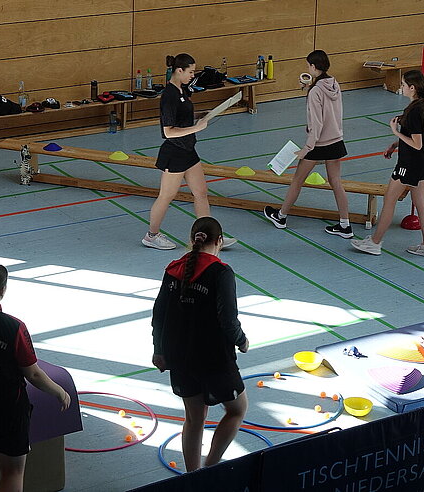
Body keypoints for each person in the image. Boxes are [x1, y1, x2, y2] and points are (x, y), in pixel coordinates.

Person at [0, 263, 71, 492]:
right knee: (13, 471)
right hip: (9, 409)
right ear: (3, 289)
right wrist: (59, 391)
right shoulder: (14, 326)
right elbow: (33, 373)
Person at [151, 217, 249, 472]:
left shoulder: (173, 269)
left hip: (179, 356)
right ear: (219, 241)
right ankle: (211, 467)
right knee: (238, 410)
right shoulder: (221, 272)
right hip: (213, 358)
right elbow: (228, 319)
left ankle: (192, 476)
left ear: (192, 239)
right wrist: (242, 341)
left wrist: (158, 350)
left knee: (194, 419)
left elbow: (158, 314)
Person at [145, 53, 236, 251]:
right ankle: (151, 236)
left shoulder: (183, 89)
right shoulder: (169, 96)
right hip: (174, 152)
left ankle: (211, 237)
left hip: (188, 150)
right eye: (191, 72)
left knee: (201, 193)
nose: (193, 75)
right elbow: (168, 131)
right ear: (179, 70)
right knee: (166, 196)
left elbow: (182, 116)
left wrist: (200, 116)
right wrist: (196, 128)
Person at [264, 50, 353, 238]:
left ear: (313, 66)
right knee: (336, 182)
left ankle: (281, 216)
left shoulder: (315, 91)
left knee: (297, 180)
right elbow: (330, 109)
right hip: (336, 140)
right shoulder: (334, 84)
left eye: (308, 65)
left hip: (318, 144)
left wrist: (307, 148)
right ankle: (345, 225)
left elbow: (317, 124)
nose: (308, 68)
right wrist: (309, 87)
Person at [351, 69, 424, 257]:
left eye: (403, 84)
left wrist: (395, 131)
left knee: (389, 200)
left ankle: (375, 242)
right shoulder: (420, 105)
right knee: (420, 203)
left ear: (412, 88)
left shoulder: (415, 111)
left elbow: (417, 143)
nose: (401, 87)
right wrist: (396, 144)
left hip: (410, 164)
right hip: (418, 161)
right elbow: (413, 136)